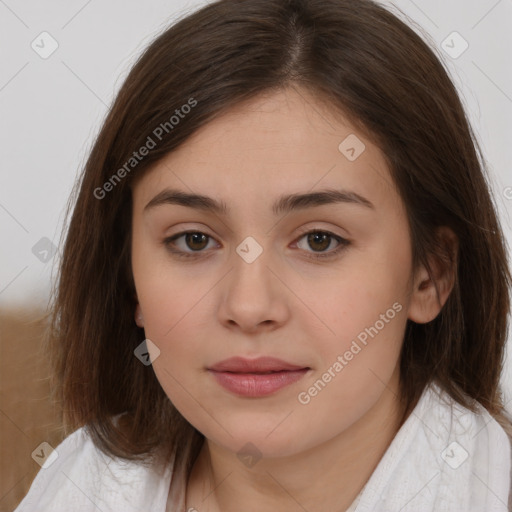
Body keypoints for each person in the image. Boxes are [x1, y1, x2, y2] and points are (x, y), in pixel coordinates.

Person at [15, 0, 512, 510]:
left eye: (320, 240)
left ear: (430, 274)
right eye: (193, 240)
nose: (249, 307)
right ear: (129, 278)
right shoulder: (73, 485)